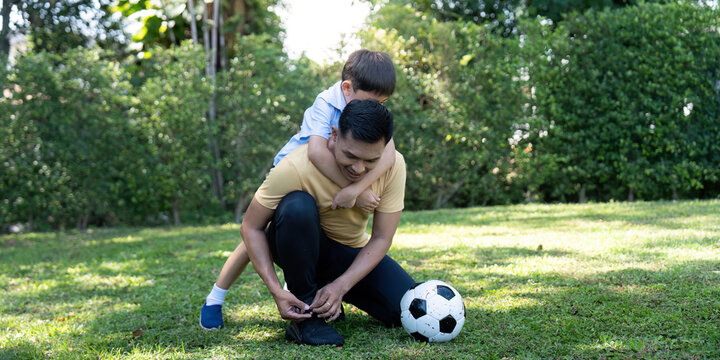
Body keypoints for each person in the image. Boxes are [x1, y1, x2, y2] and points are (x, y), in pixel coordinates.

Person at [200, 50, 398, 330]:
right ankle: (215, 297)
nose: (375, 108)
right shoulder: (326, 103)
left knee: (318, 233)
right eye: (371, 101)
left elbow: (388, 154)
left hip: (333, 175)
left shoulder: (367, 115)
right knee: (256, 238)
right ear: (347, 89)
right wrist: (351, 189)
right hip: (297, 174)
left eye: (383, 103)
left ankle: (308, 287)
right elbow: (317, 153)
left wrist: (359, 188)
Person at [241, 99, 414, 345]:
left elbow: (382, 238)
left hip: (347, 253)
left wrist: (341, 285)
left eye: (370, 161)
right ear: (334, 135)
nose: (358, 168)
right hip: (297, 245)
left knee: (404, 309)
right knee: (297, 206)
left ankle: (328, 294)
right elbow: (251, 227)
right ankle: (306, 316)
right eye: (350, 155)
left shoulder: (394, 165)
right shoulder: (295, 167)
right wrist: (277, 290)